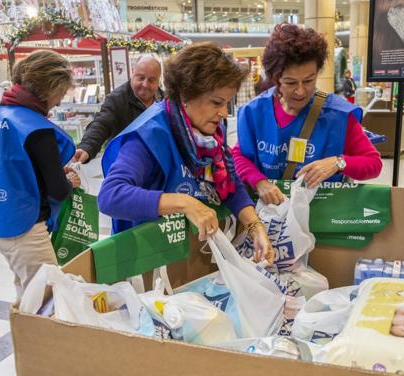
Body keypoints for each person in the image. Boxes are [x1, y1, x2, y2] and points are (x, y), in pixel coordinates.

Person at [99, 42, 274, 264]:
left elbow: (228, 182)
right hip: (146, 262)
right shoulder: (150, 135)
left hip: (187, 258)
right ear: (186, 95)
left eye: (227, 104)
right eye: (216, 103)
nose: (222, 113)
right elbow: (110, 196)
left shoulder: (212, 132)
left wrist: (254, 226)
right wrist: (185, 203)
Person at [0, 50, 80, 300]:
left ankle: (23, 336)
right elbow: (59, 190)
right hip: (25, 229)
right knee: (48, 300)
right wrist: (69, 181)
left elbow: (14, 166)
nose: (59, 102)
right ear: (51, 88)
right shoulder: (37, 128)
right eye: (61, 94)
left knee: (26, 291)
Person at [233, 24, 382, 205]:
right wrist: (259, 182)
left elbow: (373, 164)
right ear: (275, 79)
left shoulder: (338, 116)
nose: (301, 91)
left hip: (322, 215)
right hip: (270, 215)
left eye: (309, 81)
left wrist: (337, 163)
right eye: (290, 82)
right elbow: (240, 155)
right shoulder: (254, 112)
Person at [73, 55, 162, 163]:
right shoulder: (117, 99)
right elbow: (102, 123)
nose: (145, 84)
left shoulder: (164, 100)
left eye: (151, 80)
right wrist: (87, 146)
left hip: (157, 164)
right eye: (141, 78)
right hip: (125, 165)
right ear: (132, 75)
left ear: (158, 81)